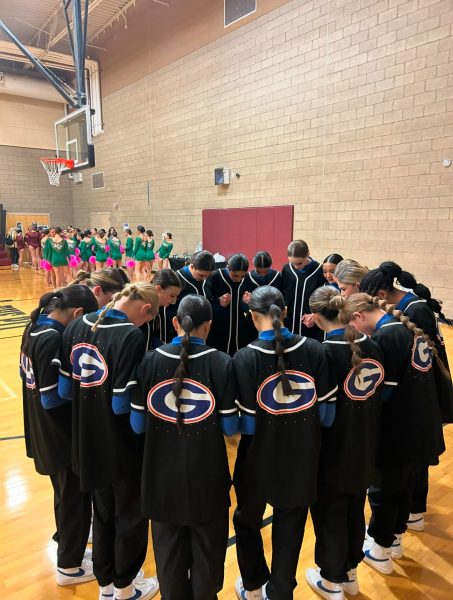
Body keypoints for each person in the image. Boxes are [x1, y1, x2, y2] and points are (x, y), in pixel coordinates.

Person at [131, 295, 238, 600]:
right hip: (208, 477)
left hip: (159, 477)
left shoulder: (150, 359)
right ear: (209, 326)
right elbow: (231, 428)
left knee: (168, 554)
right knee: (208, 553)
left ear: (175, 322)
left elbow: (138, 426)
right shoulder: (221, 362)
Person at [57, 283, 160, 600]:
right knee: (129, 515)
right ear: (145, 309)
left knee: (101, 515)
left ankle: (105, 586)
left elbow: (63, 391)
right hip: (118, 444)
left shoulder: (76, 324)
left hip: (85, 440)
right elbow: (120, 404)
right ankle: (126, 588)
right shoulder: (129, 335)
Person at [233, 286, 337, 600]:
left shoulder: (244, 357)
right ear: (287, 312)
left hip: (256, 459)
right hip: (303, 456)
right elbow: (327, 417)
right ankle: (280, 591)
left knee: (247, 520)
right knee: (290, 526)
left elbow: (246, 424)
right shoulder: (317, 350)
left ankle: (252, 586)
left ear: (252, 317)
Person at [343, 293, 446, 575]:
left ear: (358, 317)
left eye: (353, 328)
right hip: (419, 424)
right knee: (402, 486)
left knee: (383, 490)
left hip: (398, 428)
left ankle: (379, 548)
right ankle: (395, 540)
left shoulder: (386, 339)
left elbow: (384, 392)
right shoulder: (406, 330)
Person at [359, 261, 453, 531]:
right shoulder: (408, 308)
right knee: (410, 458)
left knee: (415, 457)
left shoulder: (416, 311)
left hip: (424, 389)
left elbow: (420, 360)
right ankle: (409, 510)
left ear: (382, 296)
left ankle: (415, 509)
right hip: (418, 389)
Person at [305, 286, 384, 599]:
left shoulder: (323, 353)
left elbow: (318, 412)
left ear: (318, 317)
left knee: (330, 513)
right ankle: (350, 573)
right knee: (354, 507)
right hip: (367, 442)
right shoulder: (374, 345)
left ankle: (331, 579)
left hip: (334, 447)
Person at [20, 286, 99, 586]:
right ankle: (69, 566)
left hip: (42, 431)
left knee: (64, 496)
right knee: (74, 501)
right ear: (77, 314)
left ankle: (69, 547)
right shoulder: (53, 338)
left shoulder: (34, 326)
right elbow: (52, 398)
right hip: (59, 435)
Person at [281, 240, 326, 341]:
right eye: (292, 263)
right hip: (289, 323)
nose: (296, 266)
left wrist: (316, 316)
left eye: (299, 263)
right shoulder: (286, 269)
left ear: (308, 254)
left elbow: (324, 300)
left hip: (310, 325)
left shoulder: (319, 271)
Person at [208, 253, 250, 355]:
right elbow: (207, 303)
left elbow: (246, 309)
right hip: (218, 328)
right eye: (235, 275)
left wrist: (246, 303)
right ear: (227, 268)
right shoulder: (215, 276)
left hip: (239, 328)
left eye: (242, 276)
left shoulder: (247, 279)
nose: (238, 279)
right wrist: (219, 302)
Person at [140, 269, 182, 350]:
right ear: (158, 289)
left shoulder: (157, 309)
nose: (174, 301)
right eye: (172, 296)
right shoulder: (143, 309)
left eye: (176, 297)